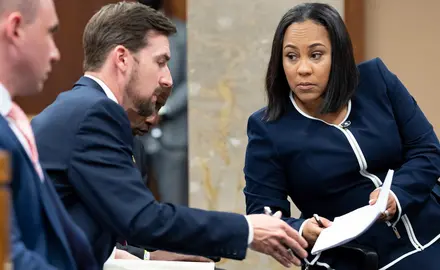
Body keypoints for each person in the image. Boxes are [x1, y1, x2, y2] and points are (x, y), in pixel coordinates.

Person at [31, 2, 308, 268]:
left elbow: (104, 222)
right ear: (122, 59)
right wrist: (248, 229)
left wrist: (151, 257)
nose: (168, 79)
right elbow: (142, 218)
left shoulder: (82, 106)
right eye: (160, 61)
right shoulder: (95, 113)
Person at [243, 3, 440, 270]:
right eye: (291, 56)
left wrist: (397, 194)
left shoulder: (376, 80)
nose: (302, 69)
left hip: (430, 229)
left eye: (316, 55)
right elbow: (263, 213)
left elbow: (426, 151)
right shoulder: (267, 127)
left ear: (339, 56)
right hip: (353, 257)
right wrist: (302, 229)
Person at [0, 0, 98, 269]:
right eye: (49, 32)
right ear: (16, 29)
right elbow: (9, 258)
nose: (55, 53)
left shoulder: (11, 121)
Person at [138, 0, 190, 206]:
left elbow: (191, 81)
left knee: (174, 205)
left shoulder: (182, 34)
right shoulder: (128, 33)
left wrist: (163, 110)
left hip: (173, 137)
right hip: (136, 134)